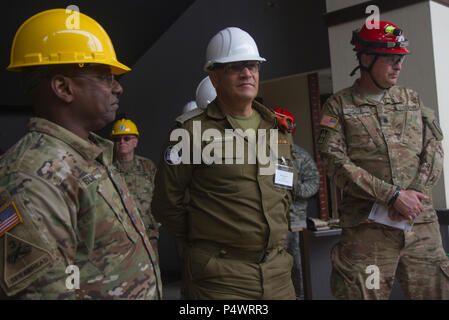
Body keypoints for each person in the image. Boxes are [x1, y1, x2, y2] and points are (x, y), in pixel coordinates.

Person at [0, 9, 161, 299]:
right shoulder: (32, 178)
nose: (118, 87)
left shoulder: (90, 156)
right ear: (63, 87)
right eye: (104, 76)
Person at [152, 27, 297, 299]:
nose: (247, 73)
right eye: (235, 67)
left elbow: (285, 189)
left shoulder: (277, 129)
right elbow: (166, 204)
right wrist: (203, 242)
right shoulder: (189, 132)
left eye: (252, 66)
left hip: (278, 274)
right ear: (214, 76)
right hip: (221, 279)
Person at [318, 20, 449, 299]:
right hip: (368, 231)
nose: (398, 66)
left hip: (419, 224)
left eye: (399, 58)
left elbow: (433, 148)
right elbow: (334, 161)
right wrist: (392, 196)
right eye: (390, 58)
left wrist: (413, 196)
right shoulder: (339, 106)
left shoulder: (411, 99)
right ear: (366, 58)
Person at [273, 107, 320, 300]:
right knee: (272, 268)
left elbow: (314, 183)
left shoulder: (300, 155)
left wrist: (294, 188)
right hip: (270, 221)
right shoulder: (261, 154)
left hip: (294, 222)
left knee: (296, 267)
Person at [111, 118, 159, 259]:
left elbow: (160, 193)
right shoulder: (106, 168)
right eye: (117, 139)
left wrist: (157, 220)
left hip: (148, 234)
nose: (122, 142)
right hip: (120, 236)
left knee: (151, 275)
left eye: (127, 138)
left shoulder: (147, 166)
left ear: (135, 141)